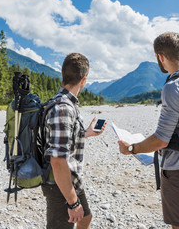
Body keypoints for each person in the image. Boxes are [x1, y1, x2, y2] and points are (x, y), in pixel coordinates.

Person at [118, 32, 179, 229]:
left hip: (178, 167)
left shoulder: (173, 87)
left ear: (160, 57)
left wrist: (131, 148)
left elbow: (161, 140)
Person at [42, 53, 106, 229]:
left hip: (72, 180)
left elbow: (61, 139)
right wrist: (72, 203)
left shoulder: (67, 105)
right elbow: (57, 160)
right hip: (60, 183)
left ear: (63, 75)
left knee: (86, 217)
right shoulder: (63, 108)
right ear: (84, 80)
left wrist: (85, 133)